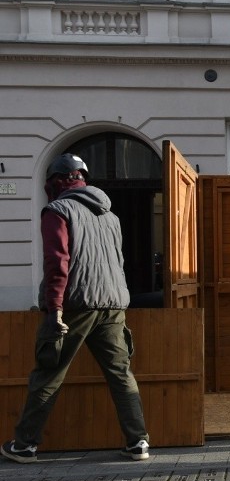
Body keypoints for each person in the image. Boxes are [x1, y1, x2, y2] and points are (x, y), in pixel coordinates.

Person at [1, 153, 150, 464]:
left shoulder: (57, 210)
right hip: (111, 304)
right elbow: (118, 262)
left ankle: (25, 444)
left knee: (49, 372)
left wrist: (54, 307)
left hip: (74, 304)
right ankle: (138, 442)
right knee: (120, 374)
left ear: (57, 182)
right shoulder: (111, 216)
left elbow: (57, 263)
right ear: (82, 179)